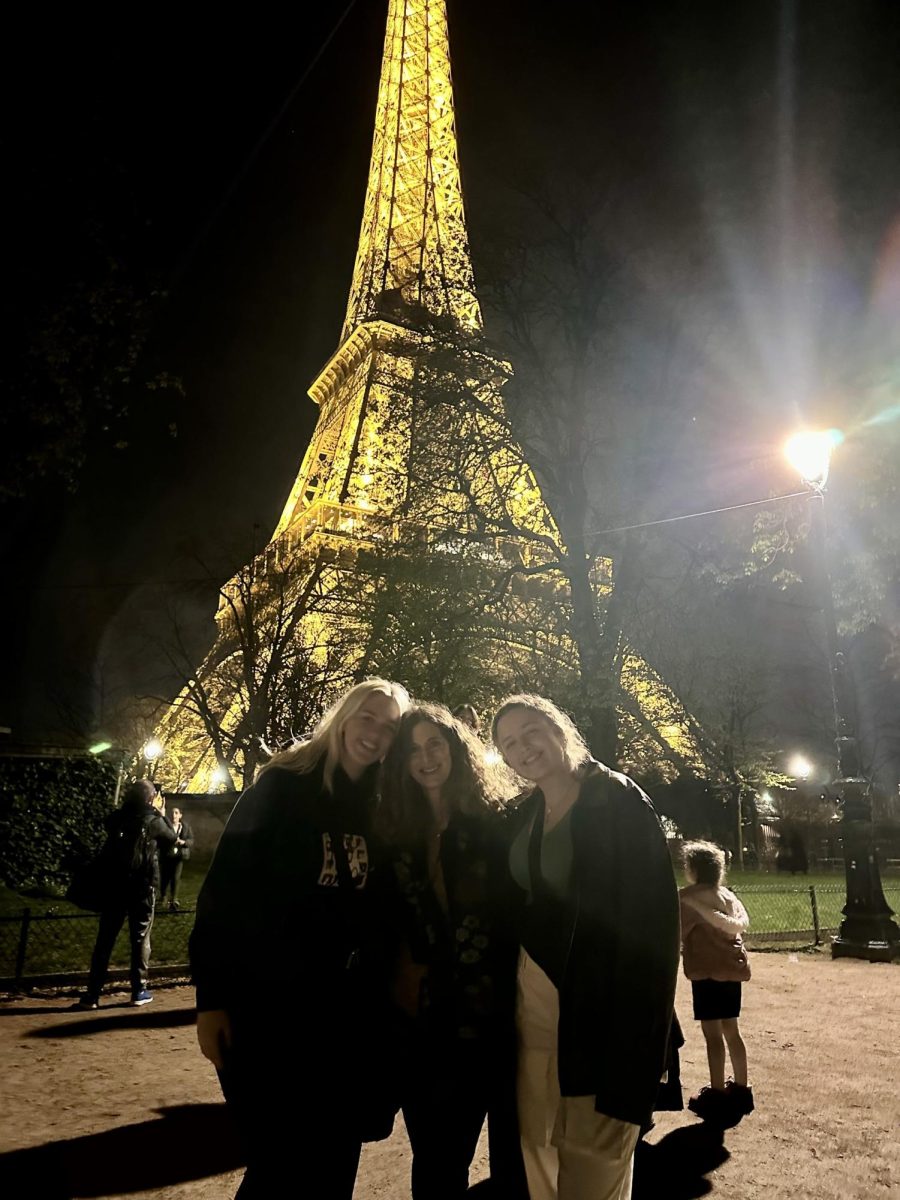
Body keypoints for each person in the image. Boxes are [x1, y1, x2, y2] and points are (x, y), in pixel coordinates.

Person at [190, 678, 409, 1200]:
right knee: (280, 1162)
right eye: (367, 717)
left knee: (333, 1162)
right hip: (269, 1012)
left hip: (345, 1021)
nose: (375, 733)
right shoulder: (282, 786)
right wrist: (211, 1001)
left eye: (389, 726)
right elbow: (223, 895)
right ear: (343, 716)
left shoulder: (384, 805)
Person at [491, 694, 679, 1200]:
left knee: (594, 1166)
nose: (523, 747)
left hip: (602, 1023)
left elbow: (653, 930)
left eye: (531, 731)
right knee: (539, 1156)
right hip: (533, 1026)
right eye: (509, 743)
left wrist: (643, 1043)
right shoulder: (523, 812)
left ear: (559, 728)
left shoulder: (614, 799)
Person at [378, 702, 526, 1199]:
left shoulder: (497, 823)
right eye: (413, 750)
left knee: (511, 1164)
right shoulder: (396, 831)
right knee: (438, 1162)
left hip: (493, 1019)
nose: (425, 758)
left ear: (456, 749)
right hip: (424, 1023)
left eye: (435, 744)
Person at [75, 779, 176, 1009]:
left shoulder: (117, 818)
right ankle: (138, 990)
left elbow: (108, 824)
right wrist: (160, 811)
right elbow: (170, 838)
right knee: (140, 938)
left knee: (105, 939)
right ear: (151, 798)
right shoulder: (154, 822)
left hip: (114, 887)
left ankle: (92, 994)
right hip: (142, 887)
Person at [679, 840, 754, 1125]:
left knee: (712, 1035)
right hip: (731, 971)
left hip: (707, 972)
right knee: (731, 1030)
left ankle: (717, 1091)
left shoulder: (688, 900)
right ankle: (742, 1088)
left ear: (692, 868)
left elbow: (678, 932)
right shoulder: (728, 898)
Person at [158, 805, 193, 910]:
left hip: (178, 857)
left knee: (176, 878)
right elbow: (166, 835)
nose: (174, 815)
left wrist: (184, 842)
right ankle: (163, 897)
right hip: (167, 856)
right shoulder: (167, 826)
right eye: (172, 813)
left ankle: (174, 899)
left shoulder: (185, 827)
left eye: (176, 813)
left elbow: (191, 840)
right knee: (165, 877)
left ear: (180, 815)